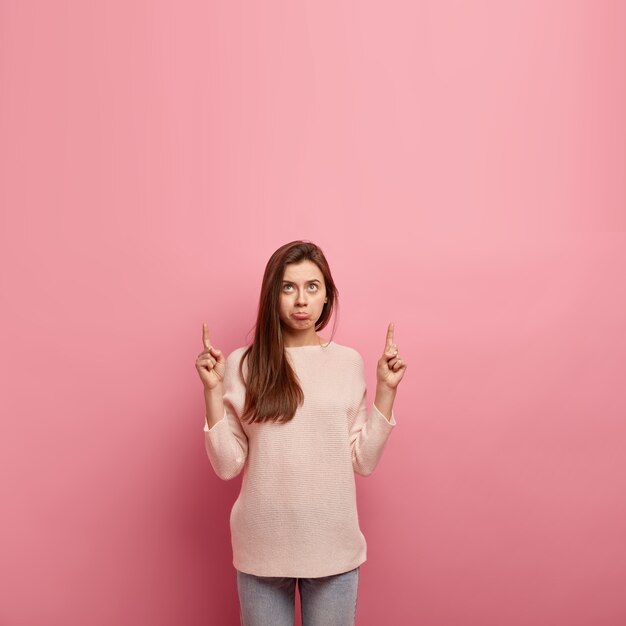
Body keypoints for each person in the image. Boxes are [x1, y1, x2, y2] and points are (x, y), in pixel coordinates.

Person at [195, 240, 407, 626]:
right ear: (272, 295)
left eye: (313, 287)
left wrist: (386, 391)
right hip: (262, 547)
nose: (301, 301)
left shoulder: (347, 362)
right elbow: (228, 466)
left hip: (333, 546)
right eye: (288, 287)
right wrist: (212, 390)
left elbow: (363, 460)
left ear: (327, 296)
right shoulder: (244, 363)